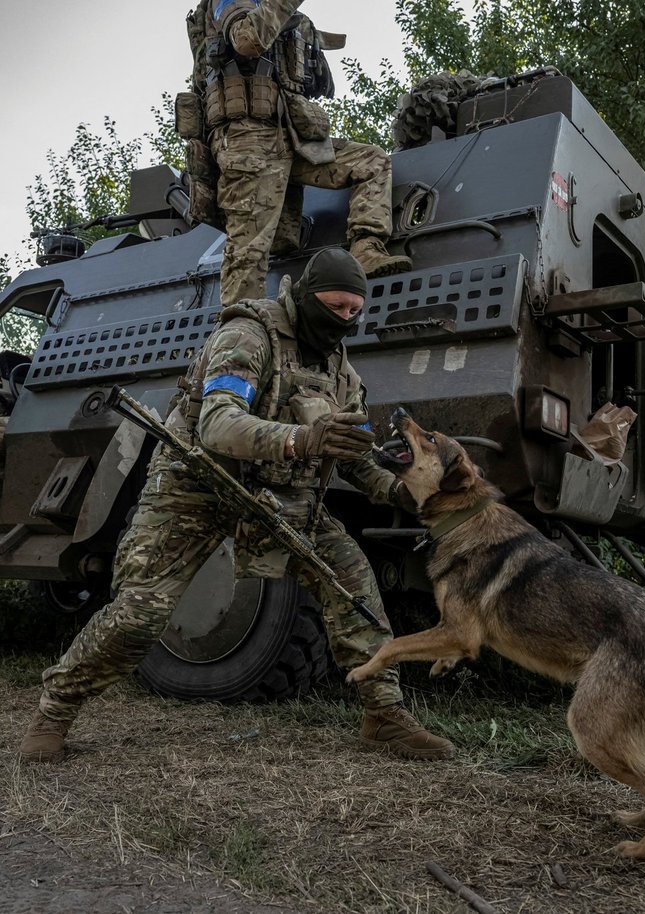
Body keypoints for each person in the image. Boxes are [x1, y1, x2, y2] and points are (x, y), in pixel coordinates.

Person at [19, 248, 455, 764]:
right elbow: (218, 425)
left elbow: (355, 457)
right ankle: (55, 711)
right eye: (334, 307)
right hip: (195, 487)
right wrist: (304, 438)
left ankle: (384, 715)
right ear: (305, 297)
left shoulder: (342, 374)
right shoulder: (248, 337)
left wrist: (400, 491)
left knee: (354, 590)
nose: (343, 321)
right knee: (140, 614)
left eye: (353, 312)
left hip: (279, 497)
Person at [182, 0, 412, 306]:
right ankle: (240, 333)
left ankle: (366, 248)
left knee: (371, 161)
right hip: (247, 143)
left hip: (290, 135)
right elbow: (247, 40)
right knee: (247, 257)